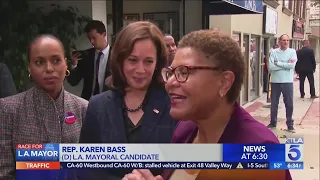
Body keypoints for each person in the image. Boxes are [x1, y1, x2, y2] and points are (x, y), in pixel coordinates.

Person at [122, 30, 292, 180]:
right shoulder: (184, 130)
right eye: (171, 73)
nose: (170, 82)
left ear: (224, 82)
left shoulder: (260, 150)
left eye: (184, 72)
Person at [79, 21, 177, 180]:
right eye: (133, 60)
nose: (140, 70)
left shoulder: (173, 105)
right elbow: (86, 169)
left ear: (158, 63)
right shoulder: (98, 106)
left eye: (148, 61)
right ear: (120, 60)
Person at [0, 34, 88, 179]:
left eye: (56, 60)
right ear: (29, 67)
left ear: (66, 64)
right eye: (39, 62)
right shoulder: (8, 109)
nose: (49, 68)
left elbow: (90, 168)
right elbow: (4, 172)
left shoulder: (83, 108)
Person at [67, 20, 111, 100]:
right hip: (89, 103)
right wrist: (74, 64)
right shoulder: (86, 55)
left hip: (109, 103)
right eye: (89, 38)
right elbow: (73, 81)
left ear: (104, 34)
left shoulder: (116, 55)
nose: (91, 41)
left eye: (94, 38)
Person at [268, 34, 297, 132]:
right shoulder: (274, 52)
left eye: (287, 40)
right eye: (283, 40)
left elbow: (291, 66)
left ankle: (290, 124)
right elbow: (271, 67)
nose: (285, 42)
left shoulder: (292, 52)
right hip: (275, 82)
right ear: (279, 41)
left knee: (289, 104)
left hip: (287, 82)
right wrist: (285, 65)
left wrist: (278, 63)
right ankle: (273, 123)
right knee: (274, 103)